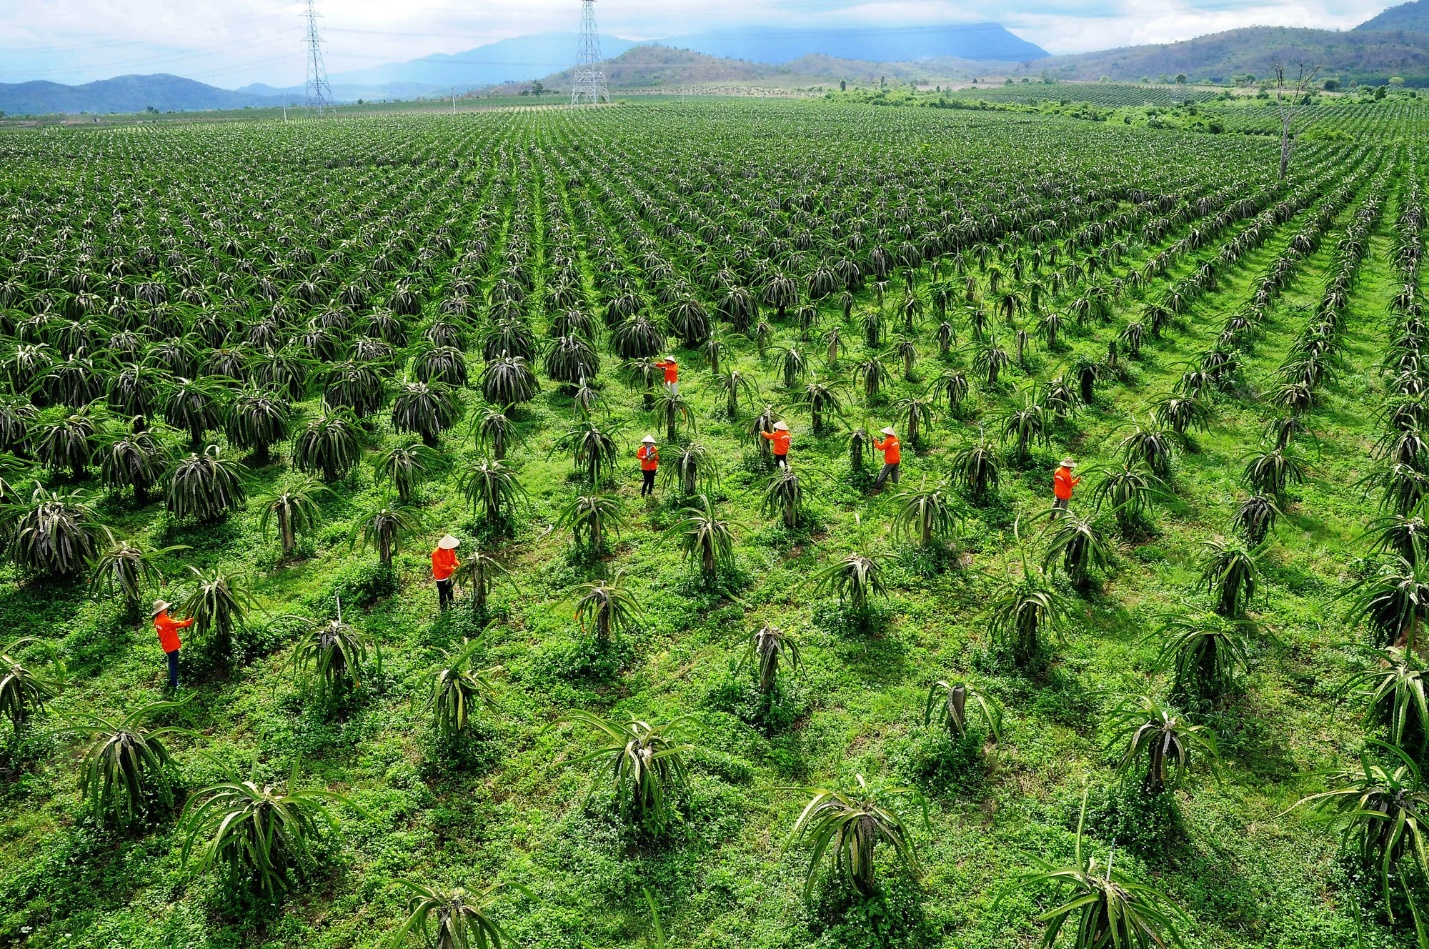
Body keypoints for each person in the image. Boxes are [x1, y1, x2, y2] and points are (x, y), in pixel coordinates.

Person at [152, 599, 193, 691]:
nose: (167, 609)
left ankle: (173, 680)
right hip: (172, 646)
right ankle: (175, 683)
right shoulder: (166, 621)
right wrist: (193, 619)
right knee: (173, 664)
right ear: (162, 610)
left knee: (171, 662)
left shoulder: (157, 621)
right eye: (166, 608)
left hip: (166, 645)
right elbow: (183, 624)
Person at [432, 534, 461, 611]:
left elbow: (454, 560)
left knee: (450, 591)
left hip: (448, 575)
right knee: (442, 593)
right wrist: (453, 569)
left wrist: (459, 565)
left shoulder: (450, 550)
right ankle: (443, 609)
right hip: (440, 576)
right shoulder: (436, 553)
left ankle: (452, 606)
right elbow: (441, 566)